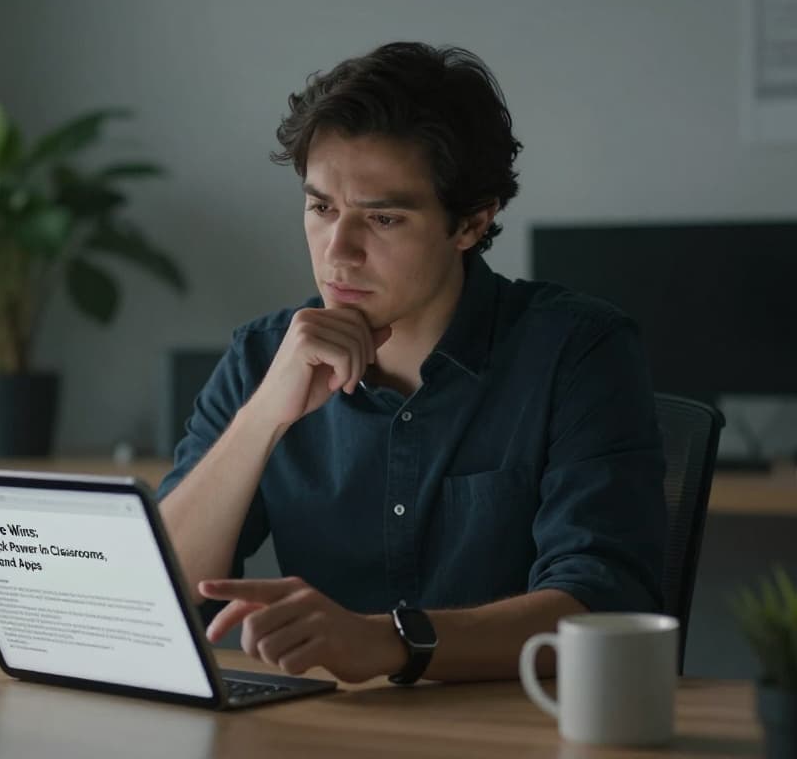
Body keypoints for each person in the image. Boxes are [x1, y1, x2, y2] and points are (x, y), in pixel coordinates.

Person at [157, 42, 666, 685]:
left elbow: (605, 604)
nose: (338, 252)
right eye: (321, 208)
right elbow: (158, 590)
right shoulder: (262, 355)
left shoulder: (578, 351)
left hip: (516, 732)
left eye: (384, 218)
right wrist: (262, 419)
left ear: (472, 223)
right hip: (322, 731)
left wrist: (392, 642)